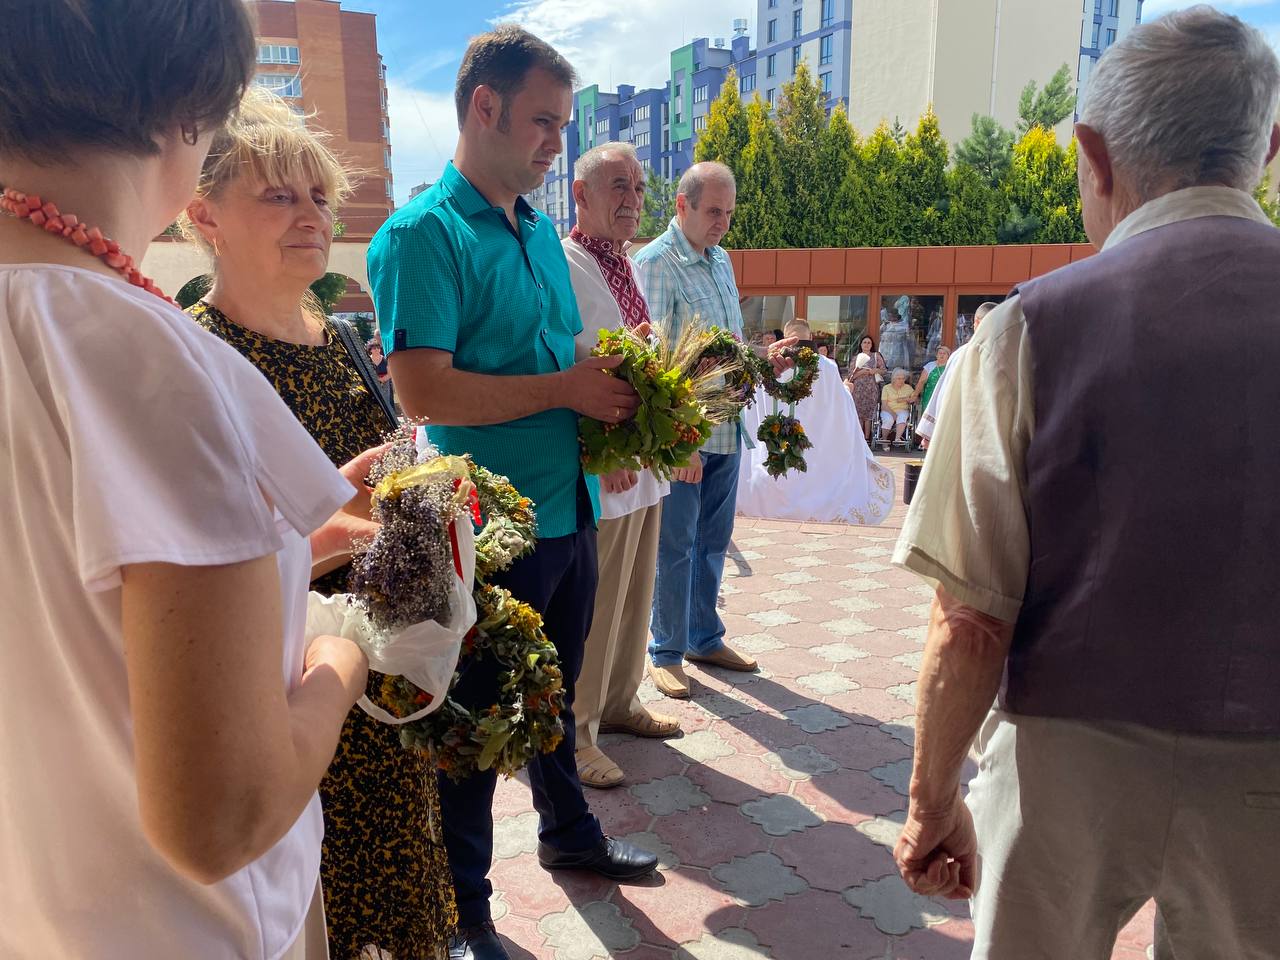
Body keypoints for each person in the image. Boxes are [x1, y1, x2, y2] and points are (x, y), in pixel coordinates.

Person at [891, 9, 1280, 958]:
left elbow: (971, 618)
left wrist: (931, 801)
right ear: (1268, 148)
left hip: (1070, 756)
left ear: (1093, 156)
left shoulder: (1031, 328)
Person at [0, 3, 371, 957]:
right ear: (188, 110)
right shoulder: (152, 358)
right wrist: (347, 647)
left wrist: (302, 540)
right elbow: (221, 817)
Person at [366, 27, 657, 960]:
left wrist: (615, 391)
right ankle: (466, 913)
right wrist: (567, 391)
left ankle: (570, 834)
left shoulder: (537, 229)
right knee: (477, 723)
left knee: (556, 696)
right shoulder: (423, 233)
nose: (552, 145)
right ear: (482, 107)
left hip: (568, 510)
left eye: (562, 126)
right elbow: (424, 391)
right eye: (541, 121)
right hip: (485, 531)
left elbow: (563, 354)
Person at [184, 89, 457, 960]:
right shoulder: (196, 359)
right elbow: (187, 572)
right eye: (278, 195)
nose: (311, 216)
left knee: (395, 893)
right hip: (284, 688)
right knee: (319, 911)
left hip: (375, 672)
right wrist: (337, 537)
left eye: (318, 197)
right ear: (203, 216)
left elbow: (372, 478)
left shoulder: (335, 335)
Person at [633, 161, 792, 700]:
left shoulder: (720, 260)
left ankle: (704, 636)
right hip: (686, 438)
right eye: (712, 211)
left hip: (728, 433)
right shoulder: (655, 263)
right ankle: (666, 651)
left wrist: (760, 358)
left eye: (727, 212)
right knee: (674, 546)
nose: (722, 222)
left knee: (713, 543)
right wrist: (680, 435)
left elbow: (724, 344)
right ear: (682, 205)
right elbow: (651, 359)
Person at [561, 141, 681, 789]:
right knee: (596, 600)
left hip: (643, 456)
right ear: (580, 194)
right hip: (601, 460)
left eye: (637, 187)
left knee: (635, 588)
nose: (632, 199)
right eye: (617, 186)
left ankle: (619, 700)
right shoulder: (566, 260)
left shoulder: (624, 264)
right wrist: (598, 447)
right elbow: (568, 360)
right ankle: (576, 734)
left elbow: (641, 351)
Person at [736, 319, 895, 524]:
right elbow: (841, 406)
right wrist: (846, 390)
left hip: (772, 448)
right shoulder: (827, 366)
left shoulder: (769, 364)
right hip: (814, 448)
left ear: (785, 338)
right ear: (810, 338)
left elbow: (751, 405)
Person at [914, 301, 998, 449]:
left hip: (969, 426)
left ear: (975, 323)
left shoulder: (962, 354)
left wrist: (930, 433)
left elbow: (944, 395)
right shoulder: (1011, 355)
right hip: (983, 429)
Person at [847, 334, 886, 441]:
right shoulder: (856, 358)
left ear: (872, 344)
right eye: (864, 342)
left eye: (869, 342)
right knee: (858, 413)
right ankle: (859, 438)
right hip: (858, 389)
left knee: (869, 414)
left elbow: (884, 370)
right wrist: (862, 372)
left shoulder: (876, 356)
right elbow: (851, 376)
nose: (867, 344)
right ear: (860, 344)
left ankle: (867, 438)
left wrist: (875, 370)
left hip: (871, 389)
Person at [879, 368, 913, 448]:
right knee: (888, 419)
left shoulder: (908, 388)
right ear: (893, 379)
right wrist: (893, 413)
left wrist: (906, 399)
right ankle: (884, 441)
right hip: (887, 410)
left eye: (903, 378)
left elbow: (916, 400)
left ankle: (897, 439)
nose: (901, 381)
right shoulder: (886, 388)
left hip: (902, 410)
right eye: (899, 379)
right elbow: (884, 405)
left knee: (902, 417)